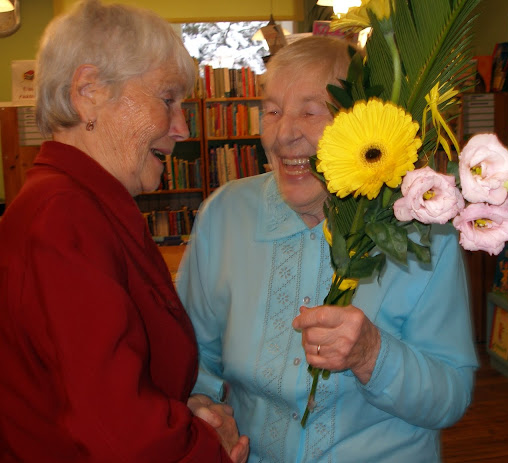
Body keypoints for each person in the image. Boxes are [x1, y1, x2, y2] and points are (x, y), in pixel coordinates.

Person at [177, 35, 478, 462]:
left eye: (310, 111)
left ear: (359, 125)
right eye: (272, 111)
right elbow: (191, 358)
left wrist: (373, 354)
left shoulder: (423, 232)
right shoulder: (224, 215)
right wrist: (202, 410)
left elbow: (451, 397)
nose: (283, 135)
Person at [0, 1, 249, 461]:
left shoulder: (82, 207)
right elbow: (116, 429)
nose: (182, 128)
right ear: (90, 91)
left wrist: (182, 414)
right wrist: (208, 448)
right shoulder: (64, 218)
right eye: (168, 100)